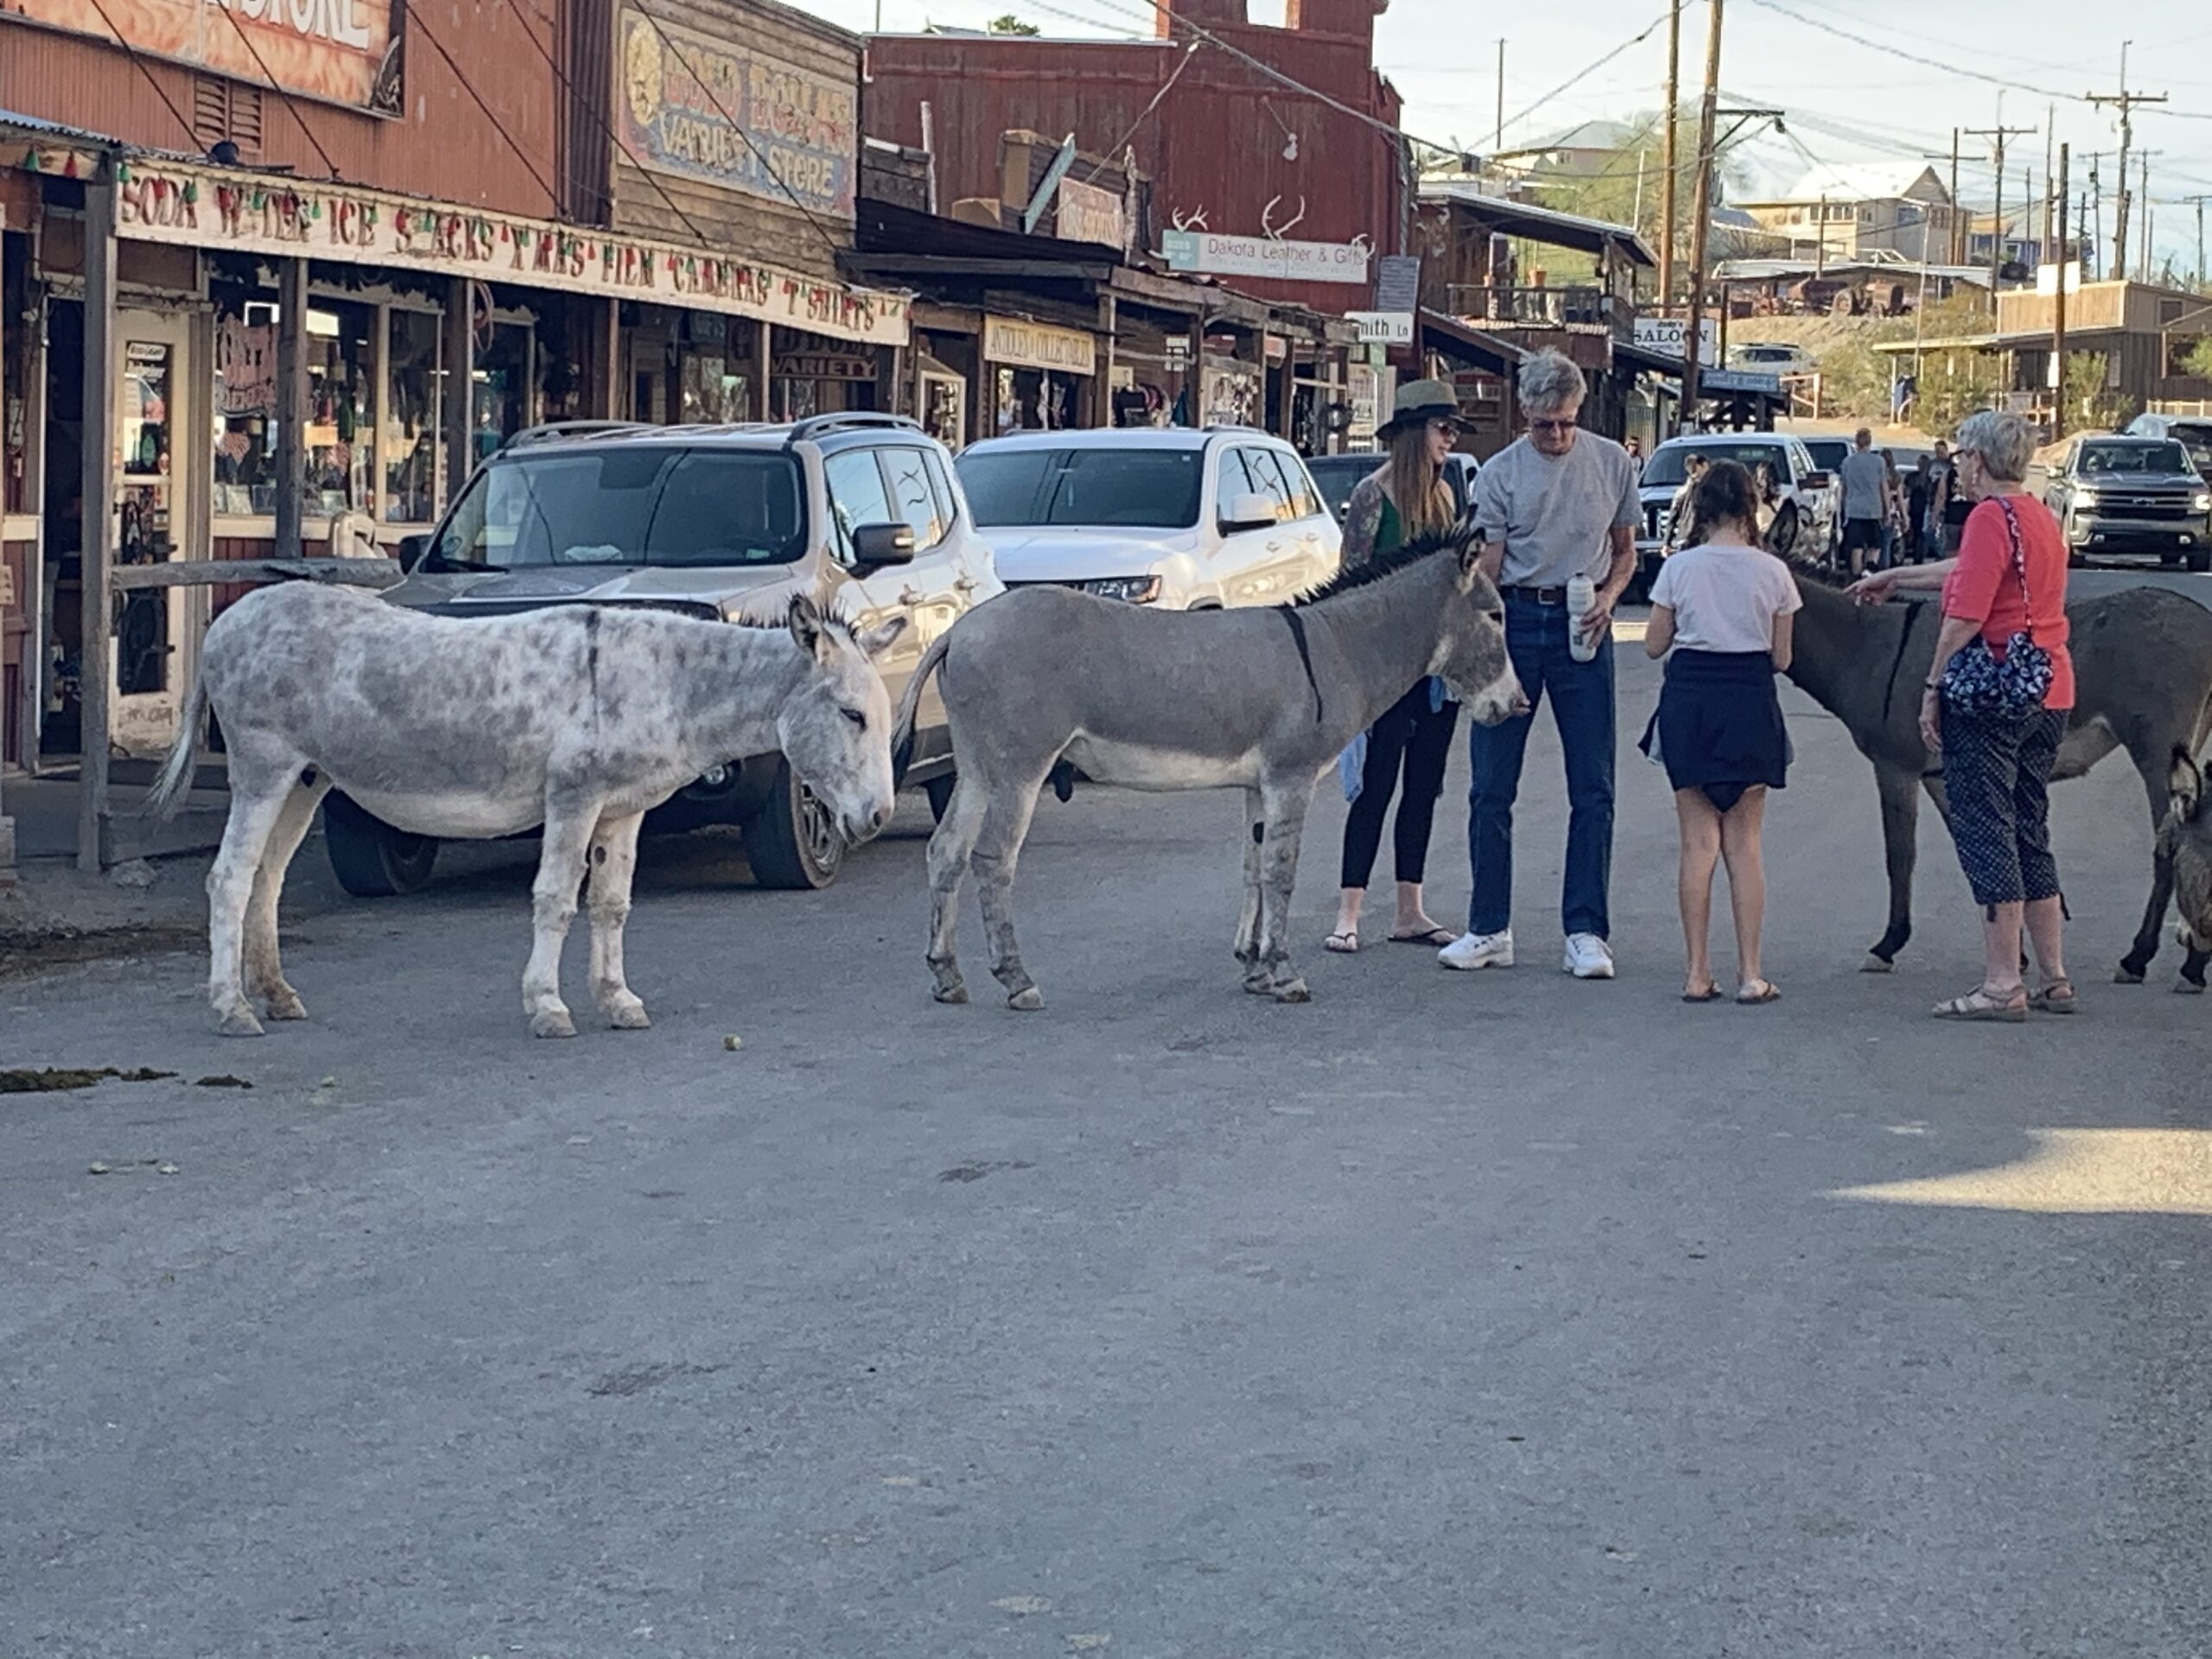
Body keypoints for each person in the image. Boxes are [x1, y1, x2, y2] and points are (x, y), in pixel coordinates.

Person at [1847, 409, 2075, 1020]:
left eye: (1960, 460)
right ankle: (2053, 975)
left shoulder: (1985, 518)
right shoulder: (2038, 517)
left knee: (1985, 825)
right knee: (2029, 823)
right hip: (2048, 687)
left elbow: (1968, 611)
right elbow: (1970, 573)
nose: (1958, 470)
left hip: (1994, 692)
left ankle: (2003, 983)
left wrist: (1932, 683)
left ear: (1976, 458)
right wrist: (1899, 576)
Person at [1440, 348, 1640, 980]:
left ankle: (1586, 929)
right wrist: (1483, 648)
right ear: (1523, 413)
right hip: (1519, 617)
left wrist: (1609, 600)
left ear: (1578, 413)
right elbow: (1489, 569)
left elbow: (1626, 550)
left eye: (1565, 422)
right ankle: (1488, 925)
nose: (1555, 435)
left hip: (1585, 614)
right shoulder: (1498, 475)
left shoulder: (1611, 462)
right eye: (1543, 424)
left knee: (1594, 783)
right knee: (1491, 784)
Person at [1640, 461, 1799, 1004]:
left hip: (1691, 700)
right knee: (1746, 845)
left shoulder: (1679, 570)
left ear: (1700, 507)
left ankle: (1696, 971)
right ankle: (1751, 973)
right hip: (1750, 699)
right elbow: (1782, 659)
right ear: (1751, 506)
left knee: (1698, 844)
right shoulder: (1773, 573)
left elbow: (1654, 645)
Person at [1327, 381, 1467, 953]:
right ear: (1416, 432)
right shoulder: (1371, 497)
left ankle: (1410, 908)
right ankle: (1349, 912)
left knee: (1424, 786)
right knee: (1376, 783)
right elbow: (1348, 587)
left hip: (1435, 666)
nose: (1450, 440)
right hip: (1385, 668)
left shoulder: (1444, 497)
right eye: (1443, 428)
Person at [1838, 428, 1889, 578]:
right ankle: (1870, 571)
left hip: (1854, 510)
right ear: (1870, 442)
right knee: (1875, 546)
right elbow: (1884, 488)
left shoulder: (1847, 462)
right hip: (1874, 510)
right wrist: (1887, 511)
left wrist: (1843, 507)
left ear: (1856, 443)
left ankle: (1856, 577)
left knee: (1856, 547)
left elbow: (1844, 488)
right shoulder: (1879, 462)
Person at [1664, 452, 1710, 553]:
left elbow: (1672, 517)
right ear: (1700, 466)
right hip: (1702, 539)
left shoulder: (1681, 491)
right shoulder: (1708, 491)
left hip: (1683, 538)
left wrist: (1666, 542)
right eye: (1706, 466)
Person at [1905, 454, 1935, 563]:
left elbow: (1907, 493)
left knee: (1915, 533)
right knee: (1921, 535)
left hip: (1914, 508)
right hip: (1924, 508)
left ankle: (1914, 554)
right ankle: (1919, 556)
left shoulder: (1911, 478)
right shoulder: (1930, 481)